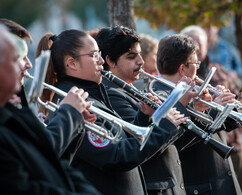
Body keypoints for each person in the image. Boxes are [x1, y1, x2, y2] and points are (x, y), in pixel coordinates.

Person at [36, 29, 188, 195]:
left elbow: (122, 140)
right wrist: (165, 128)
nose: (101, 61)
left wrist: (143, 117)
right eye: (94, 55)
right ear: (72, 63)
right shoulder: (72, 103)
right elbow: (114, 156)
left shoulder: (90, 95)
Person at [95, 26, 211, 195]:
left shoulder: (132, 89)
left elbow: (174, 142)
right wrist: (181, 106)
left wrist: (196, 111)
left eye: (140, 55)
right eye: (131, 57)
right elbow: (143, 145)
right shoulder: (112, 95)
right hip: (155, 187)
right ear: (110, 61)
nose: (141, 62)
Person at [0, 24, 100, 194]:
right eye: (17, 58)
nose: (28, 65)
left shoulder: (14, 110)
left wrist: (75, 121)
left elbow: (56, 164)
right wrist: (68, 114)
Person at [154, 32, 241, 194]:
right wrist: (211, 109)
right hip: (201, 185)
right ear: (182, 68)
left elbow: (228, 125)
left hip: (220, 178)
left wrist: (226, 104)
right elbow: (177, 140)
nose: (199, 66)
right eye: (195, 62)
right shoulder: (159, 95)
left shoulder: (192, 88)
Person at [181, 25, 242, 195]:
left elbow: (238, 96)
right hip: (208, 149)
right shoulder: (186, 77)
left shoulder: (218, 68)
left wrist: (233, 114)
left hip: (232, 141)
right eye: (193, 45)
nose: (197, 50)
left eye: (200, 44)